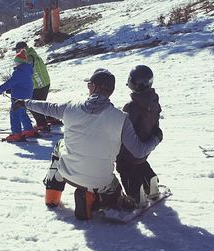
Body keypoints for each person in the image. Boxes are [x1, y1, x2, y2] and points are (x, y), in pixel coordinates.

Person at [12, 68, 163, 220]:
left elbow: (47, 107)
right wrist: (156, 137)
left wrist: (25, 103)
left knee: (59, 146)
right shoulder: (121, 119)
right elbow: (139, 151)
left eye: (89, 84)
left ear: (95, 87)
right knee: (115, 191)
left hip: (67, 174)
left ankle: (52, 195)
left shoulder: (71, 107)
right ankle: (94, 200)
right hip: (101, 181)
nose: (88, 87)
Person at [116, 65, 162, 206]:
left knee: (124, 166)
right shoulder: (153, 101)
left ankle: (136, 194)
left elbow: (123, 127)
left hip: (130, 149)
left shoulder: (132, 106)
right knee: (140, 163)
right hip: (146, 143)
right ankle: (150, 181)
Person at [13, 41, 58, 132]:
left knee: (32, 105)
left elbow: (28, 68)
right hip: (42, 83)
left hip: (40, 84)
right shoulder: (30, 54)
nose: (17, 52)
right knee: (40, 102)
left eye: (17, 50)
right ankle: (50, 118)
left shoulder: (30, 56)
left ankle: (42, 124)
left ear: (23, 49)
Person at [0, 50, 38, 142]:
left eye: (16, 62)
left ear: (19, 62)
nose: (15, 64)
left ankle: (16, 134)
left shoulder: (19, 72)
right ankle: (29, 130)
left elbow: (10, 83)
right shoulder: (28, 70)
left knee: (14, 114)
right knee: (22, 113)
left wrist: (0, 90)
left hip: (18, 97)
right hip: (26, 96)